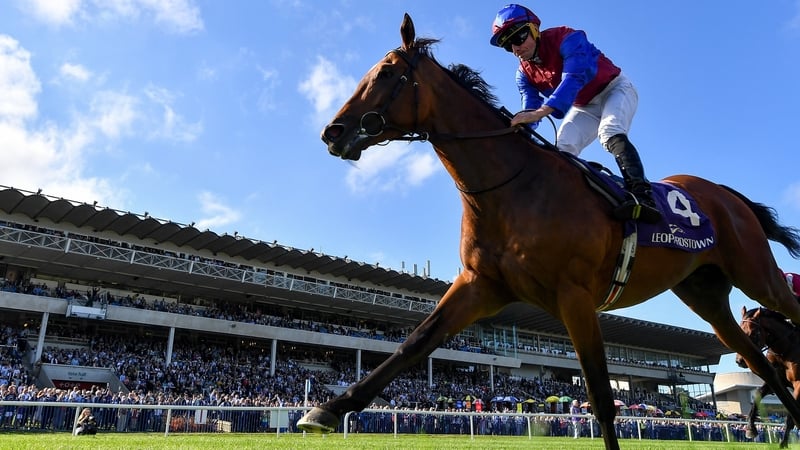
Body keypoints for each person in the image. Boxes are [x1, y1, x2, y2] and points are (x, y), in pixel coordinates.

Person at [490, 4, 662, 224]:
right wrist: (518, 131)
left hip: (615, 90)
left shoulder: (568, 37)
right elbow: (530, 109)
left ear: (534, 29)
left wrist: (542, 111)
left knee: (609, 131)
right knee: (561, 150)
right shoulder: (523, 74)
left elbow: (575, 77)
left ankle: (643, 196)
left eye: (518, 38)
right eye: (507, 46)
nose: (515, 49)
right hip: (584, 106)